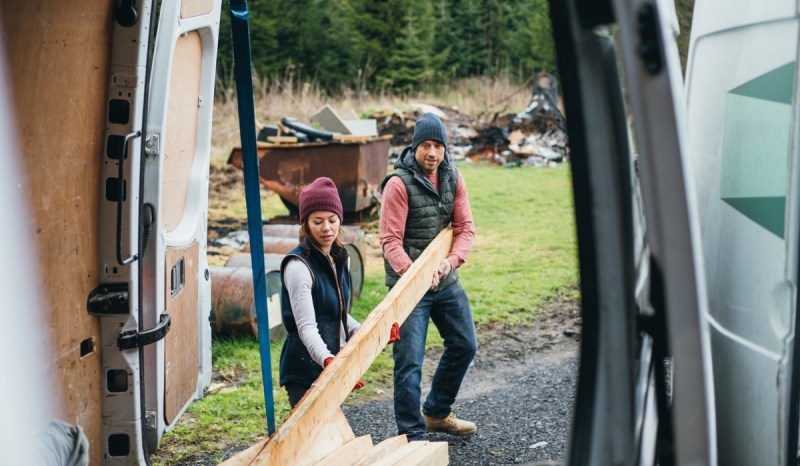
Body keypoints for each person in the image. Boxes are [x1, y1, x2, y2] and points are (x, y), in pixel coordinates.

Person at [380, 112, 478, 441]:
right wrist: (416, 275)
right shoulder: (398, 184)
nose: (432, 153)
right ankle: (411, 434)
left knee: (465, 343)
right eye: (426, 145)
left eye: (438, 146)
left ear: (445, 149)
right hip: (409, 284)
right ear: (415, 147)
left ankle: (436, 412)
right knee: (409, 361)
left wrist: (449, 263)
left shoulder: (454, 177)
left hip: (444, 279)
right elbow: (389, 241)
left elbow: (465, 229)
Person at [278, 177, 363, 408]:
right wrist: (328, 361)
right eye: (318, 221)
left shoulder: (338, 258)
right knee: (309, 439)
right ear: (305, 223)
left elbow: (338, 312)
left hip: (331, 365)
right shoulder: (298, 267)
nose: (326, 228)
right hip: (305, 370)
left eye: (332, 220)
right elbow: (306, 327)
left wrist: (370, 332)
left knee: (332, 436)